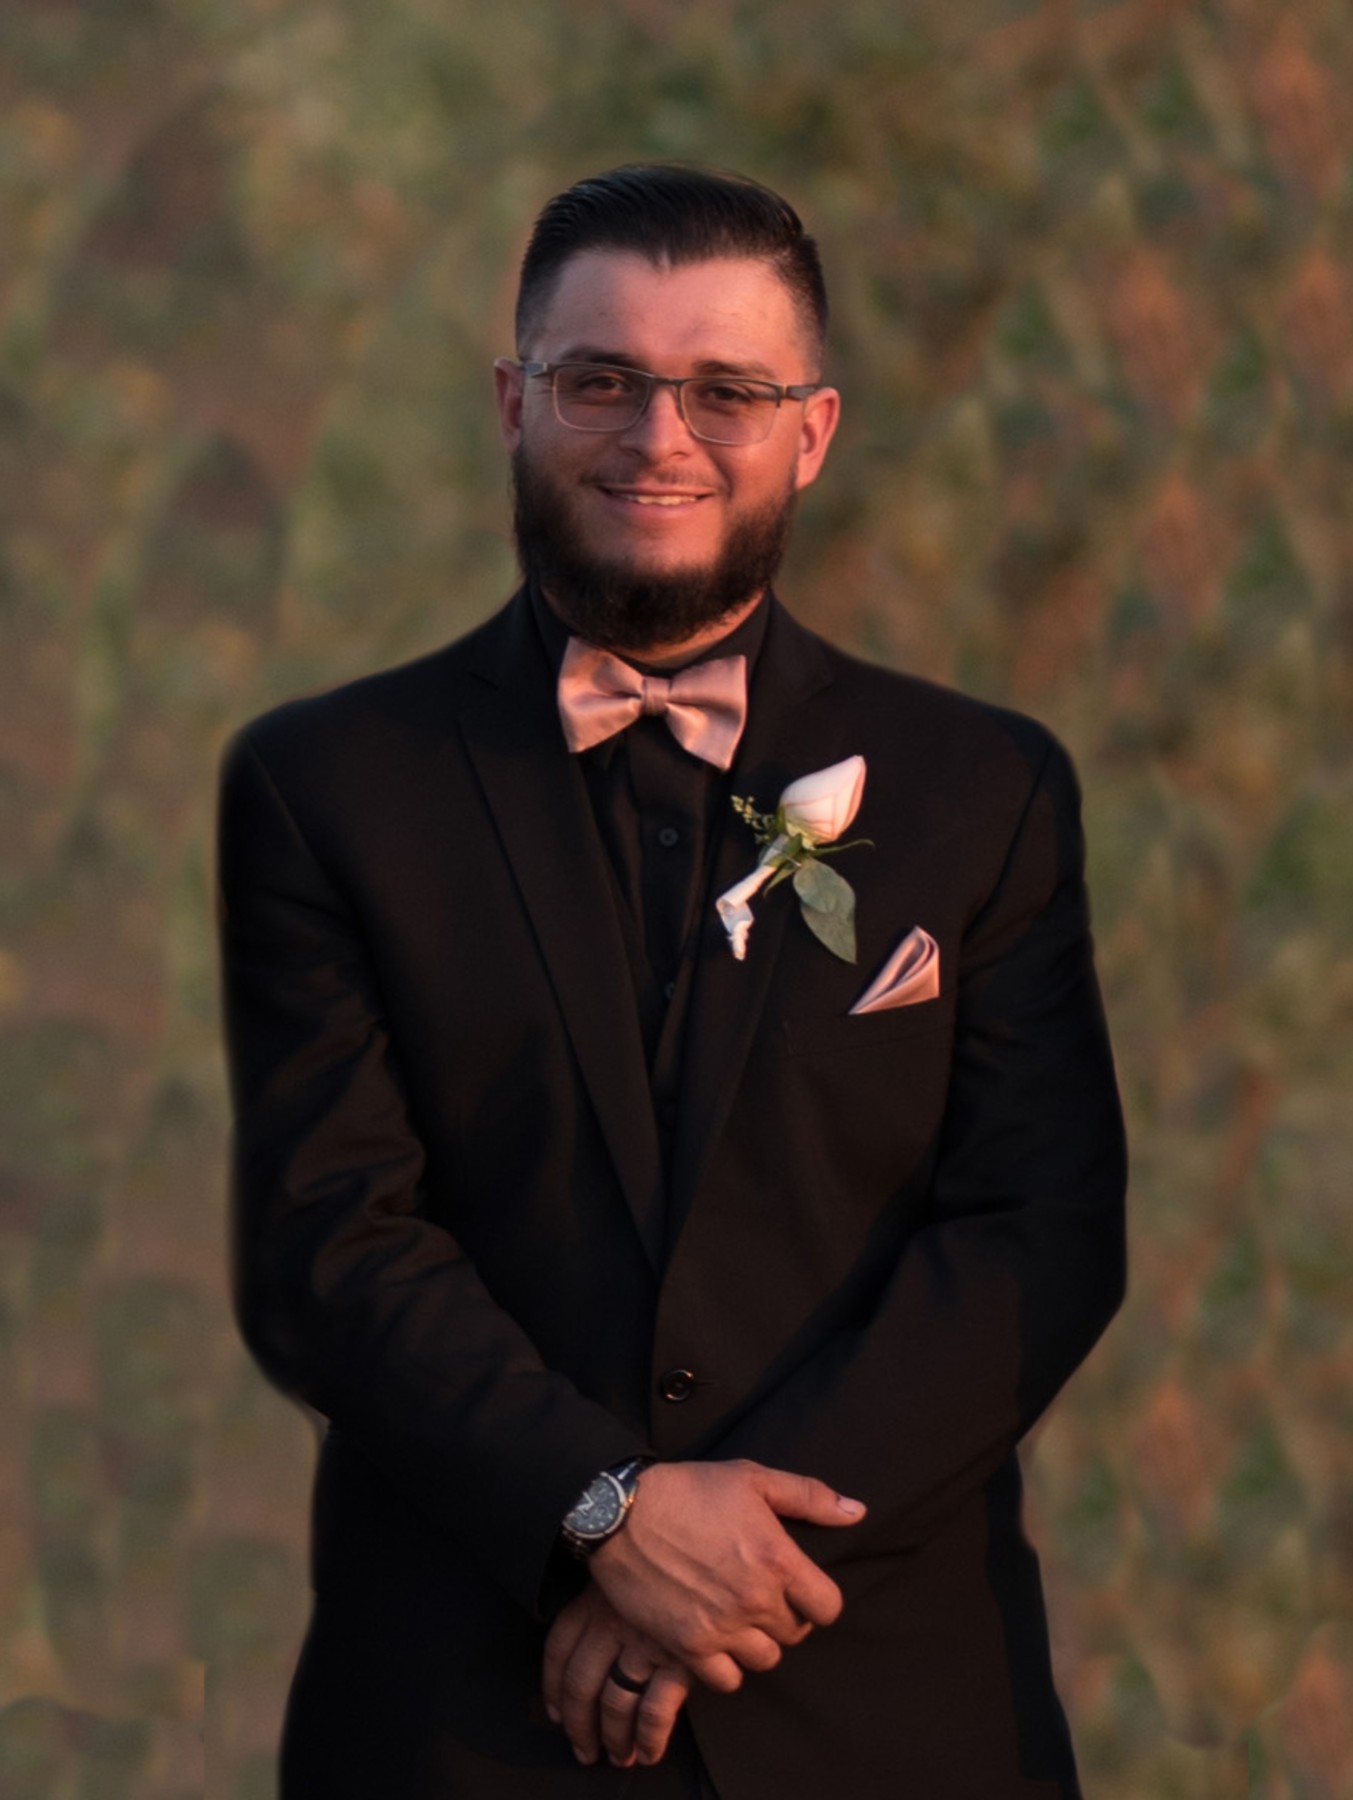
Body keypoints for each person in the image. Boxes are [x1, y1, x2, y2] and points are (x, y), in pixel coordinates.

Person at [217, 163, 1127, 1800]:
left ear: (812, 432)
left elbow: (1036, 1232)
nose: (660, 438)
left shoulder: (983, 791)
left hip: (886, 1710)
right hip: (466, 1717)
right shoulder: (323, 786)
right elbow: (328, 1245)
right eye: (602, 381)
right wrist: (598, 1515)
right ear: (513, 403)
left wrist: (723, 1572)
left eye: (726, 390)